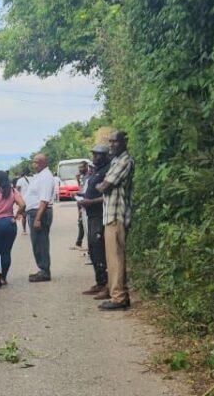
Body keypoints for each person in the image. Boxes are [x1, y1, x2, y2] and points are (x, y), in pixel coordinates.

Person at [96, 130, 135, 311]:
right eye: (110, 142)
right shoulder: (115, 161)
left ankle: (118, 298)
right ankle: (119, 295)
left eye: (115, 142)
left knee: (116, 258)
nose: (112, 145)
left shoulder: (125, 161)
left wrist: (100, 184)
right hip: (110, 215)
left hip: (117, 215)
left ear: (124, 142)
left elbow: (105, 185)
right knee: (112, 258)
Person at [0, 170, 26, 288]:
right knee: (6, 252)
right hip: (9, 224)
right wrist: (16, 216)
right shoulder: (13, 191)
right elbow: (22, 205)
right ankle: (4, 278)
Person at [80, 145, 112, 297]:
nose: (94, 158)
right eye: (93, 155)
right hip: (91, 215)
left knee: (100, 249)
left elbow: (108, 196)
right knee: (92, 248)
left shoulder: (108, 170)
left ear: (105, 156)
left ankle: (106, 284)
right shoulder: (96, 170)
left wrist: (90, 202)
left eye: (97, 155)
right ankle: (99, 282)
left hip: (100, 213)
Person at [24, 154, 58, 282]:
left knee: (40, 242)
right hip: (35, 212)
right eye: (33, 162)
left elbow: (44, 200)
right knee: (37, 242)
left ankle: (44, 271)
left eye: (37, 162)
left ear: (43, 163)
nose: (34, 165)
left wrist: (38, 218)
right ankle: (42, 269)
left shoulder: (46, 177)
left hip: (40, 213)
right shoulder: (40, 176)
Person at [73, 161, 90, 251]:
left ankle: (80, 243)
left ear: (86, 166)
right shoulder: (83, 177)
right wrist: (78, 180)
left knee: (84, 225)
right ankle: (78, 243)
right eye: (79, 168)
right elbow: (81, 189)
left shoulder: (88, 177)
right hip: (80, 203)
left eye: (81, 167)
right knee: (81, 223)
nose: (80, 170)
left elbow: (84, 192)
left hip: (85, 204)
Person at [15, 169, 31, 234]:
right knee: (32, 215)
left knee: (24, 216)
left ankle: (24, 230)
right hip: (32, 200)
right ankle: (32, 229)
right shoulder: (34, 179)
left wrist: (17, 200)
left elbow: (17, 190)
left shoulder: (20, 180)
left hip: (23, 200)